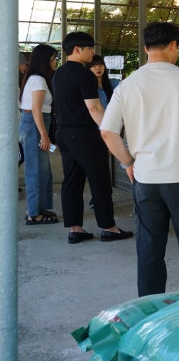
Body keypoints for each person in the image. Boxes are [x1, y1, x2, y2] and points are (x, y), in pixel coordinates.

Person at [100, 21, 179, 296]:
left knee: (149, 247)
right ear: (173, 46)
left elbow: (108, 133)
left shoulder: (127, 86)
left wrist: (129, 163)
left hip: (146, 179)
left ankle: (150, 310)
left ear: (145, 48)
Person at [52, 32, 132, 244]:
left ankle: (75, 229)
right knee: (100, 180)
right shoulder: (84, 74)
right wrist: (110, 130)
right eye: (90, 49)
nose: (93, 53)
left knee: (72, 180)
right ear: (77, 49)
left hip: (64, 132)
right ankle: (109, 227)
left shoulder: (58, 73)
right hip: (85, 134)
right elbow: (94, 107)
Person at [19, 44, 59, 225]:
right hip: (36, 125)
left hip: (34, 124)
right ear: (45, 60)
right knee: (35, 171)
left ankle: (39, 209)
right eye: (53, 58)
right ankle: (34, 213)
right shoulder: (38, 80)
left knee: (42, 171)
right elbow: (36, 110)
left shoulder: (36, 79)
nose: (55, 61)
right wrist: (44, 134)